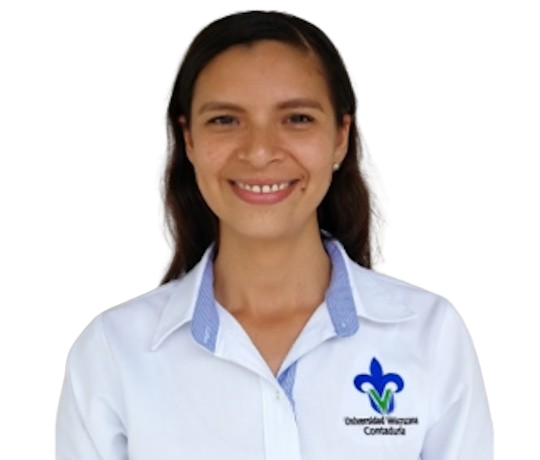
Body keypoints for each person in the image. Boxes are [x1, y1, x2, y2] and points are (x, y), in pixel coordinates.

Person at [54, 10, 494, 460]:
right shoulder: (112, 352)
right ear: (189, 140)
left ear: (340, 136)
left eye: (297, 118)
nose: (260, 151)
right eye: (225, 120)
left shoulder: (431, 334)